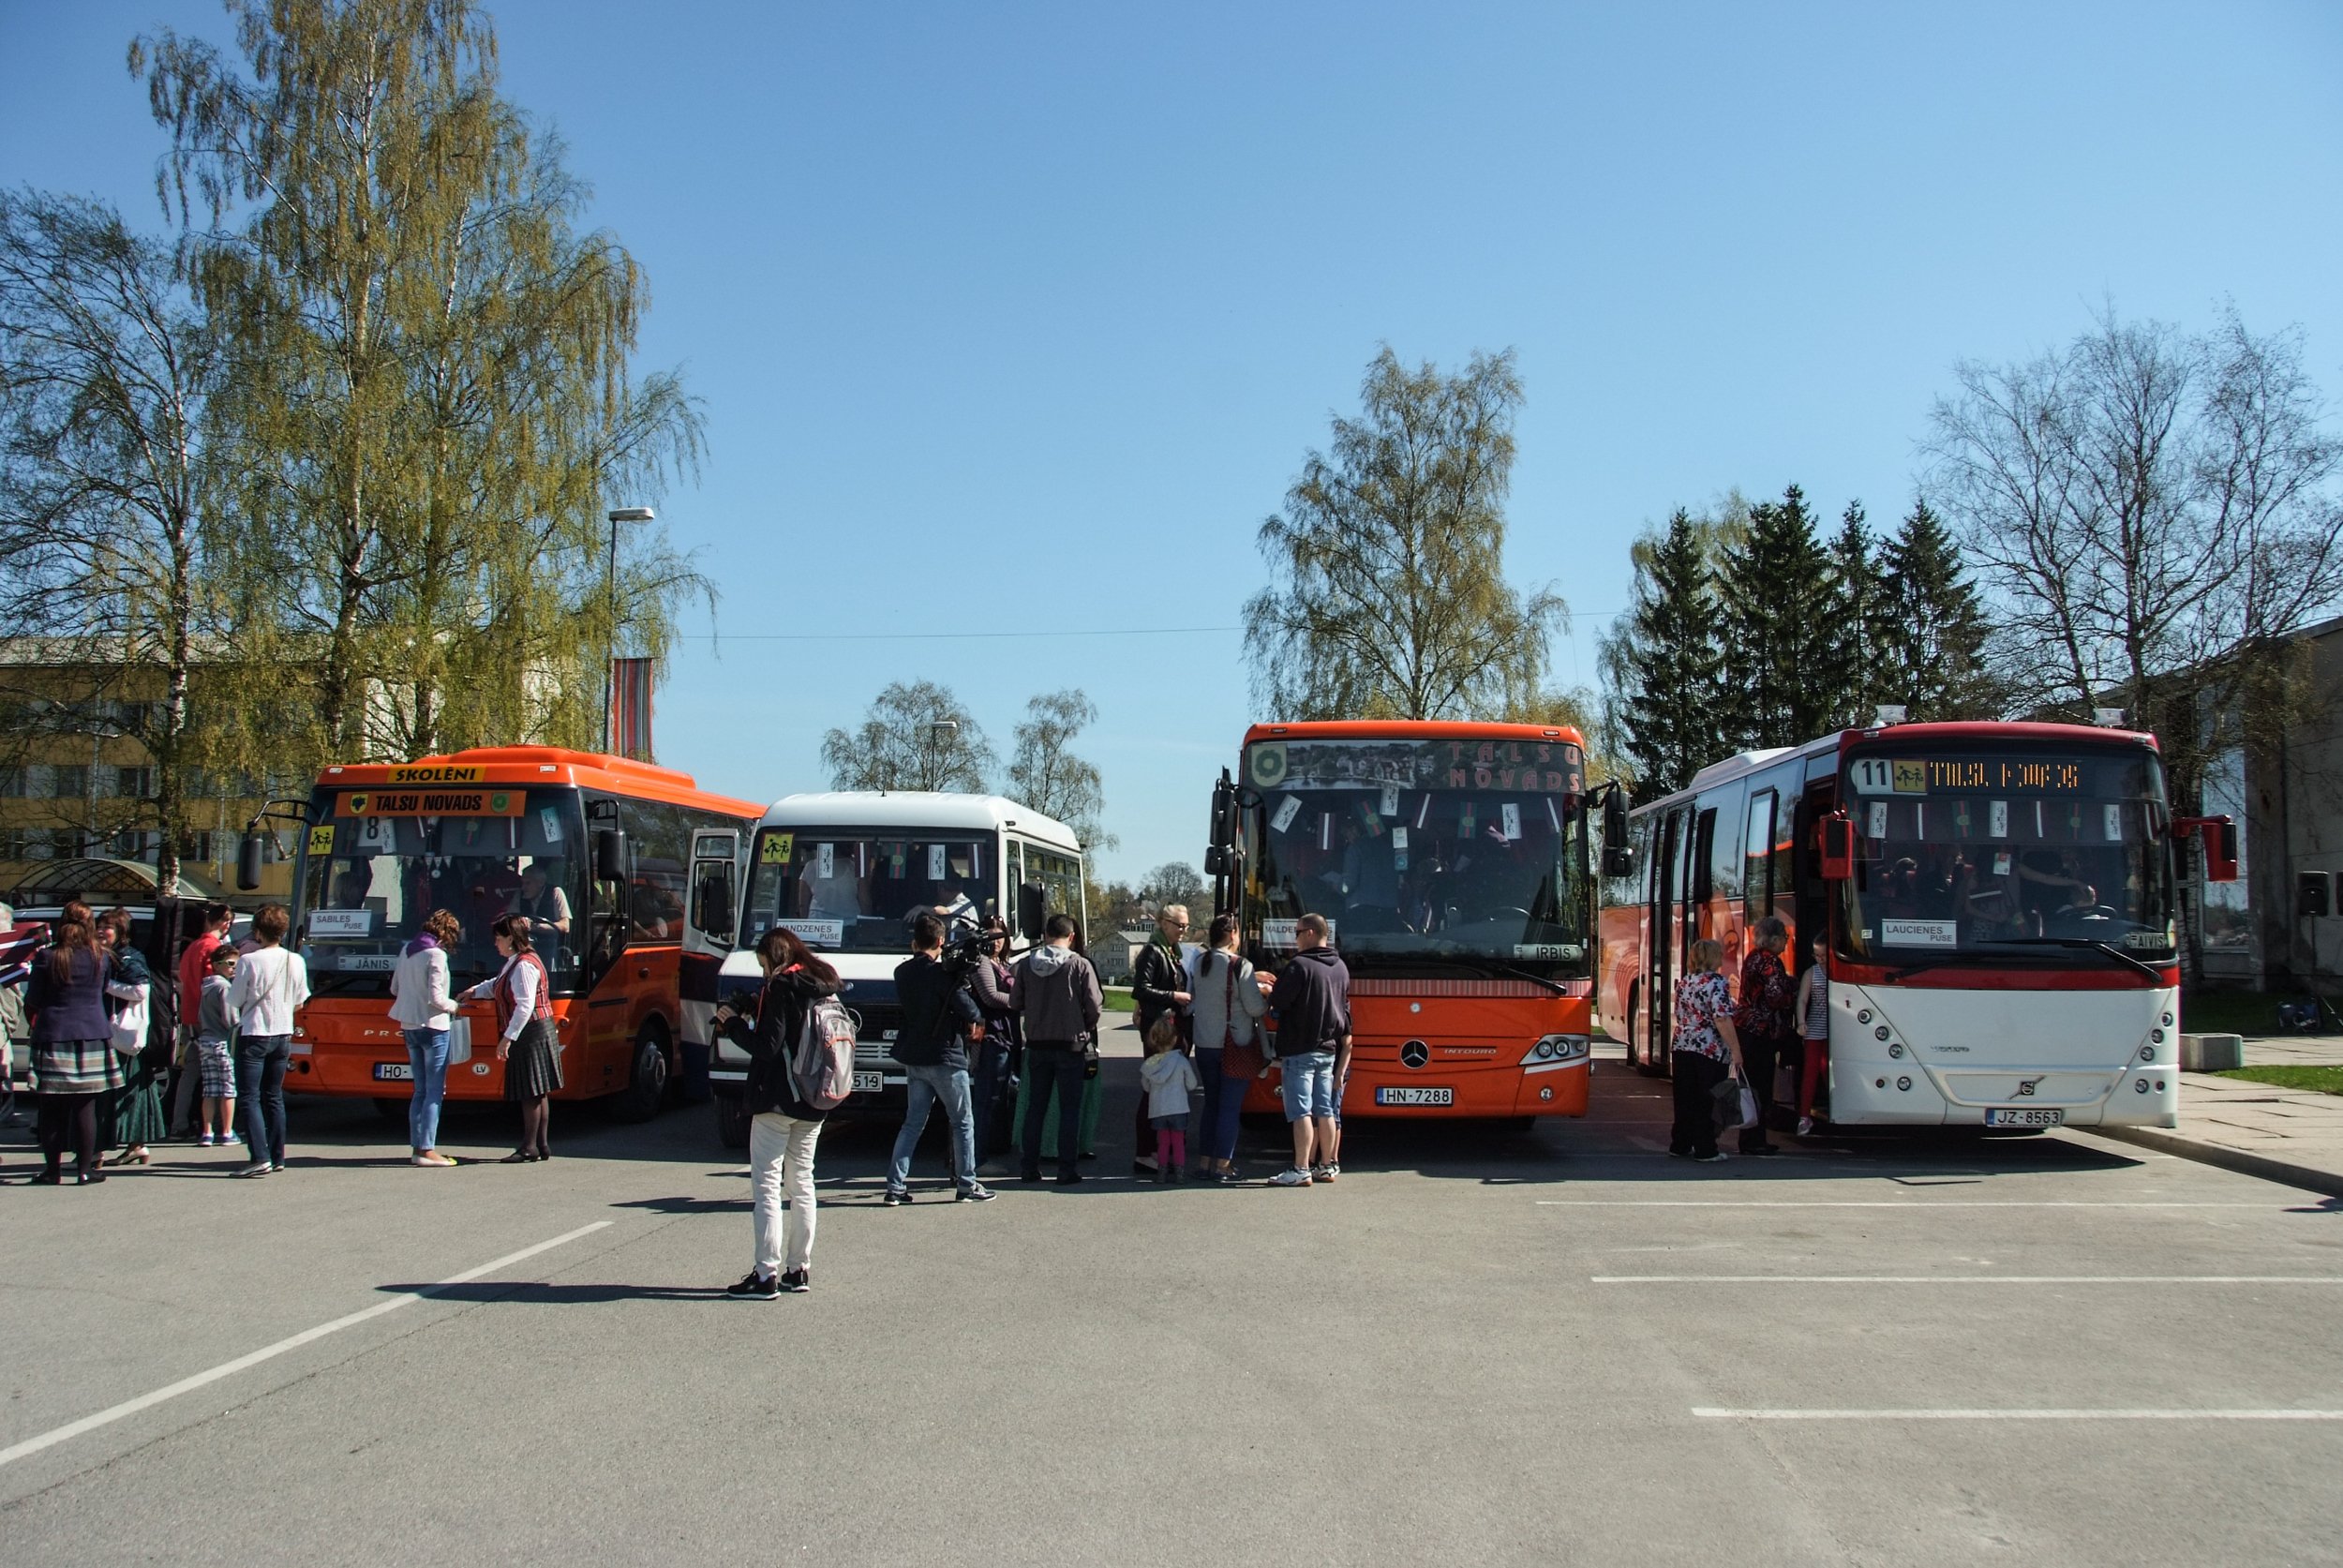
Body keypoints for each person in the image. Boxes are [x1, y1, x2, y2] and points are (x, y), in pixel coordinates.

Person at [714, 926, 841, 1296]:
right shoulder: (823, 983)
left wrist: (733, 1024)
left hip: (776, 1100)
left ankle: (765, 1273)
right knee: (803, 1183)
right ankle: (799, 1269)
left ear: (775, 958)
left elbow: (767, 1046)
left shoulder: (781, 987)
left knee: (767, 1185)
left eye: (763, 963)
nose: (763, 971)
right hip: (815, 1096)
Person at [885, 912, 993, 1204]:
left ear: (913, 943)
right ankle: (967, 1184)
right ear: (941, 941)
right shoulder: (942, 975)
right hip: (946, 1058)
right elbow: (970, 1010)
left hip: (914, 1057)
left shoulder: (902, 973)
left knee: (912, 1123)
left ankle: (895, 1187)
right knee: (962, 1122)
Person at [24, 901, 119, 1185]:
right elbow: (102, 992)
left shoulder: (47, 957)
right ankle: (85, 1170)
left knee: (51, 1108)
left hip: (53, 1034)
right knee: (85, 1107)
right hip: (92, 1034)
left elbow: (34, 1000)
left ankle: (53, 1171)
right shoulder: (100, 957)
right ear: (90, 925)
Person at [1012, 912, 1102, 1184]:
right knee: (1069, 1109)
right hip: (1070, 1044)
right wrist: (1083, 1024)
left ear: (1046, 935)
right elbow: (1094, 1005)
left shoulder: (1026, 965)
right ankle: (1066, 1169)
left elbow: (1015, 1001)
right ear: (1071, 936)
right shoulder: (1079, 964)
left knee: (1035, 1108)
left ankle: (1029, 1166)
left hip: (1038, 1044)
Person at [1262, 913, 1351, 1187]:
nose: (1295, 938)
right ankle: (1327, 1165)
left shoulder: (1299, 965)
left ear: (1311, 933)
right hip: (1328, 1049)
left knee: (1300, 1111)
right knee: (1325, 1110)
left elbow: (1280, 1001)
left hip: (1299, 1047)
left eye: (1298, 933)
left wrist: (1267, 990)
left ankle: (1301, 1168)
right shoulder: (1340, 967)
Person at [469, 914, 560, 1162]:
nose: (495, 943)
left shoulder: (523, 966)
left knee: (530, 1091)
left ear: (510, 938)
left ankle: (530, 1146)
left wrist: (507, 1038)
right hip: (536, 1029)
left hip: (531, 1031)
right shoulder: (516, 961)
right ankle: (540, 1145)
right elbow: (499, 984)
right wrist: (475, 991)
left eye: (498, 938)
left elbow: (524, 1005)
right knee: (537, 1092)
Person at [228, 903, 308, 1177]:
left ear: (258, 933)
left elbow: (235, 999)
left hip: (255, 1032)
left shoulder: (249, 961)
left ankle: (259, 1156)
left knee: (249, 1097)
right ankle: (277, 1155)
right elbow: (300, 1001)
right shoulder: (295, 960)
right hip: (283, 1032)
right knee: (273, 1096)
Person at [1186, 913, 1268, 1182]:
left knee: (1211, 1104)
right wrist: (1264, 993)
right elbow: (1254, 1007)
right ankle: (1223, 1166)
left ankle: (1204, 1163)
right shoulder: (1240, 964)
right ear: (1233, 935)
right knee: (1230, 1108)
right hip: (1234, 1043)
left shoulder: (1199, 961)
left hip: (1205, 1043)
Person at [389, 908, 463, 1167]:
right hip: (434, 1027)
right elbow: (437, 998)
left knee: (419, 1090)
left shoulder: (407, 950)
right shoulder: (436, 955)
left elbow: (394, 988)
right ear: (446, 933)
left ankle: (416, 1146)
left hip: (409, 1025)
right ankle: (427, 1150)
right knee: (435, 1091)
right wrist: (455, 1005)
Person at [1128, 904, 1192, 1173]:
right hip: (1159, 1032)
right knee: (1154, 1090)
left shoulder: (1173, 952)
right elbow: (1141, 989)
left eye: (1186, 926)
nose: (1184, 931)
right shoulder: (1152, 952)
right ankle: (1145, 1152)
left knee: (1163, 1090)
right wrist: (1174, 996)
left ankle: (1159, 1149)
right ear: (1163, 923)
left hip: (1172, 1026)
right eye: (1179, 925)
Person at [97, 908, 163, 1167]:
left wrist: (105, 985)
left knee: (121, 1092)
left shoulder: (128, 957)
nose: (102, 931)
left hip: (121, 1037)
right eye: (99, 926)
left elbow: (140, 990)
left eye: (108, 927)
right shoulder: (109, 955)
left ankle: (105, 1148)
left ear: (121, 931)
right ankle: (136, 1146)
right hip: (115, 1035)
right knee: (129, 1092)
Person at [1668, 937, 1744, 1163]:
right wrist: (1736, 1050)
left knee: (1684, 1097)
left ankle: (1680, 1143)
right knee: (1707, 1099)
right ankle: (1705, 1147)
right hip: (1708, 1047)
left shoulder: (1685, 982)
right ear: (1713, 958)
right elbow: (1721, 1018)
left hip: (1682, 1043)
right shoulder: (1717, 983)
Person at [171, 902, 235, 1139]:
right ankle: (219, 1124)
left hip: (189, 1014)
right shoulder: (214, 948)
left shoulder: (193, 946)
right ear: (225, 922)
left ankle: (180, 1123)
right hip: (209, 1020)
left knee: (191, 1072)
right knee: (219, 1075)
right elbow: (214, 987)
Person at [1732, 916, 1796, 1156]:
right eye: (1785, 938)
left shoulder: (1752, 957)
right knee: (1761, 1087)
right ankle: (1755, 1140)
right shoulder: (1771, 962)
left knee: (1749, 1087)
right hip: (1761, 1032)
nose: (1786, 944)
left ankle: (1748, 1138)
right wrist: (1794, 991)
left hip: (1744, 1029)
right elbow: (1775, 997)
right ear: (1775, 938)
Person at [967, 917, 1020, 1171]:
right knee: (984, 1101)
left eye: (1000, 937)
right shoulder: (981, 962)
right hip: (991, 1038)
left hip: (1006, 1036)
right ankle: (975, 1159)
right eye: (990, 938)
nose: (996, 943)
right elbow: (990, 996)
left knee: (995, 1101)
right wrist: (1023, 1000)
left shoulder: (1002, 963)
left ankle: (981, 1154)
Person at [1138, 1012, 1201, 1183]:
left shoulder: (1149, 1064)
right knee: (1178, 1142)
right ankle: (1180, 1173)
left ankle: (1161, 1173)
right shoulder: (1181, 1061)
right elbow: (1192, 1084)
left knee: (1163, 1142)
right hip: (1178, 1107)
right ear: (1175, 1039)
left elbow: (1146, 1087)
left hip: (1158, 1109)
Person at [194, 946, 239, 1147]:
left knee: (210, 1089)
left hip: (205, 1040)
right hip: (222, 1041)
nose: (233, 969)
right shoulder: (225, 988)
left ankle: (207, 1131)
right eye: (230, 964)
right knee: (228, 1088)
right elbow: (230, 1019)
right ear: (217, 965)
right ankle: (227, 1131)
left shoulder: (206, 986)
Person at [1794, 931, 1831, 1137]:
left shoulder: (1839, 971)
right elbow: (1802, 1000)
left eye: (1824, 955)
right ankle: (1804, 1116)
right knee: (1811, 1071)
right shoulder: (1812, 973)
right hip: (1815, 1028)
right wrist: (1801, 1021)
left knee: (1829, 1069)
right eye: (1817, 955)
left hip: (1836, 1029)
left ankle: (1835, 1107)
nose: (1821, 959)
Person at [506, 862, 572, 941]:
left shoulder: (555, 892)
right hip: (525, 947)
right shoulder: (519, 895)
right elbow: (508, 920)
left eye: (528, 883)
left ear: (540, 883)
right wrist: (519, 922)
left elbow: (565, 926)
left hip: (550, 947)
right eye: (522, 883)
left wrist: (535, 927)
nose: (523, 888)